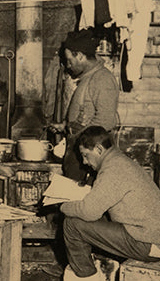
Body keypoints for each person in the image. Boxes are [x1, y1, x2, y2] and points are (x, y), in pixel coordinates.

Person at [43, 126, 160, 281]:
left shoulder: (112, 169)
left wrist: (63, 206)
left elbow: (89, 212)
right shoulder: (119, 160)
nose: (84, 162)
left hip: (150, 243)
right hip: (156, 237)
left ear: (99, 150)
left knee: (72, 224)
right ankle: (100, 276)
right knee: (89, 220)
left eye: (86, 155)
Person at [50, 29, 119, 184]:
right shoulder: (89, 78)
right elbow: (87, 113)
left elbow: (105, 121)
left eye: (69, 60)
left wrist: (78, 135)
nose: (68, 65)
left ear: (80, 56)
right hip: (81, 148)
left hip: (90, 152)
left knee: (80, 196)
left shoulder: (102, 79)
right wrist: (65, 126)